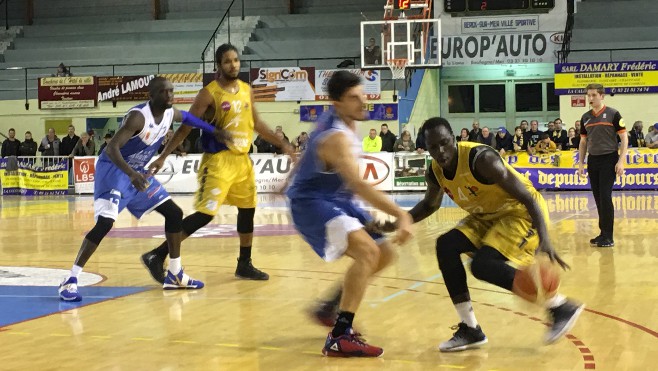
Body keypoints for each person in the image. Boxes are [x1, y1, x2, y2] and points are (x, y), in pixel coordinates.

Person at [405, 117, 583, 352]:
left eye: (445, 143)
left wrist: (545, 238)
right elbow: (429, 205)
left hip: (520, 213)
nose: (441, 151)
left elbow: (528, 198)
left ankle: (559, 306)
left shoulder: (482, 159)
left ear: (455, 139)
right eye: (433, 147)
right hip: (487, 216)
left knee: (482, 265)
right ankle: (471, 329)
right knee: (446, 245)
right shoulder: (436, 170)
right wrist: (398, 222)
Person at [58, 77, 228, 301]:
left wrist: (212, 130)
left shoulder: (169, 113)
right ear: (151, 96)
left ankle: (175, 274)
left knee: (174, 213)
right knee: (105, 223)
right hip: (114, 171)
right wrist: (131, 174)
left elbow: (188, 117)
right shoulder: (138, 117)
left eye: (171, 91)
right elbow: (111, 149)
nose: (170, 96)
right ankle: (70, 279)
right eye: (164, 92)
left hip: (138, 172)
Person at [286, 71, 413, 357]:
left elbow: (316, 162)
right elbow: (358, 183)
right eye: (354, 98)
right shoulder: (337, 137)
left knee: (386, 253)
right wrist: (401, 214)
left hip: (336, 199)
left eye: (363, 94)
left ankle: (330, 306)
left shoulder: (345, 124)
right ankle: (340, 335)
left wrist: (366, 216)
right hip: (311, 202)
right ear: (336, 103)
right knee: (368, 252)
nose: (362, 101)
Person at [142, 44, 294, 283]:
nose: (233, 64)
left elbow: (257, 123)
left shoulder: (246, 89)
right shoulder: (209, 93)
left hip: (242, 161)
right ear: (218, 65)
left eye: (236, 60)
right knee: (205, 215)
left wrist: (282, 143)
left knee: (248, 210)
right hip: (218, 161)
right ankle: (157, 254)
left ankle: (244, 263)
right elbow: (186, 126)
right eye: (227, 61)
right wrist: (164, 156)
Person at [577, 83, 628, 248]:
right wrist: (581, 163)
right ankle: (603, 233)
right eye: (588, 95)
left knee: (605, 196)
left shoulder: (613, 114)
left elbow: (624, 138)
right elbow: (583, 141)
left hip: (609, 159)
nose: (590, 99)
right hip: (593, 160)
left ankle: (609, 236)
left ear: (601, 96)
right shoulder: (585, 117)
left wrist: (621, 160)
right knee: (598, 198)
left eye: (593, 95)